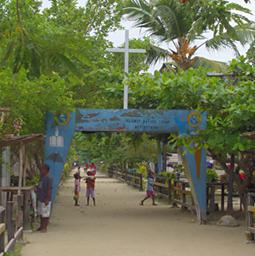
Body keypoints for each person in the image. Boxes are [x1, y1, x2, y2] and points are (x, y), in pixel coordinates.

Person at [37, 164, 52, 233]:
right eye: (41, 169)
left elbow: (49, 189)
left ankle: (45, 227)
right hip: (40, 198)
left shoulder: (48, 178)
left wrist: (47, 198)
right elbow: (39, 186)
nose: (41, 171)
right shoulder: (41, 178)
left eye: (43, 169)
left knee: (45, 214)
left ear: (47, 171)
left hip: (45, 199)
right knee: (41, 213)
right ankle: (41, 226)